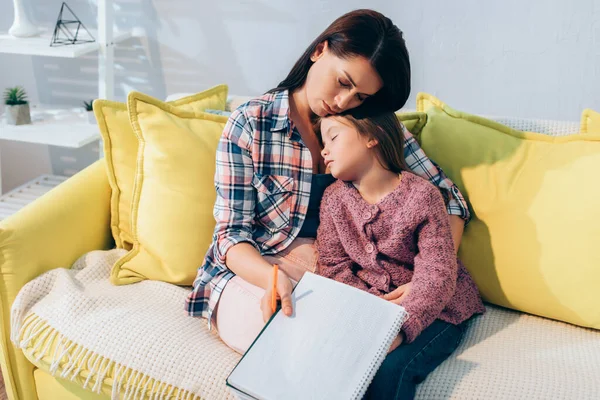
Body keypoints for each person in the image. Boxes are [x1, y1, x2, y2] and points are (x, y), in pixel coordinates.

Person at [185, 7, 471, 388]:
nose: (343, 101)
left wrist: (426, 279)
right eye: (342, 82)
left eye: (360, 95)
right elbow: (230, 239)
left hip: (336, 282)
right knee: (297, 346)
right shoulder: (252, 124)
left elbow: (448, 199)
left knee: (349, 350)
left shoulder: (368, 125)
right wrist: (272, 276)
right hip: (254, 271)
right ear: (320, 50)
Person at [315, 111, 485, 399]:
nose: (324, 149)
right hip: (372, 306)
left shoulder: (423, 196)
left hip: (439, 308)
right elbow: (332, 267)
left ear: (371, 136)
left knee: (389, 370)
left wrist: (398, 330)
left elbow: (438, 272)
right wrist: (371, 313)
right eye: (322, 142)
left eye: (333, 136)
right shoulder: (333, 199)